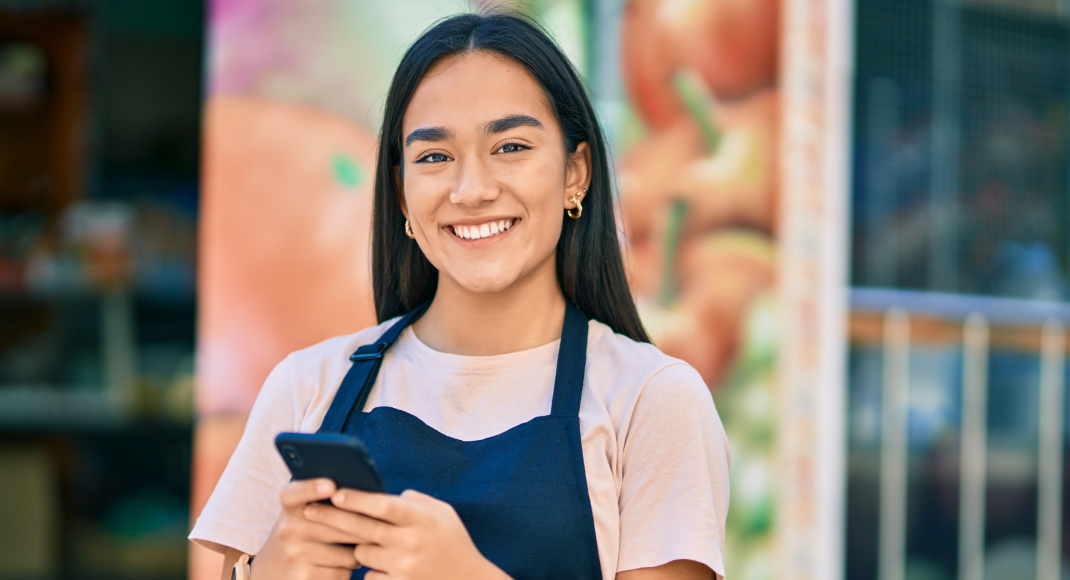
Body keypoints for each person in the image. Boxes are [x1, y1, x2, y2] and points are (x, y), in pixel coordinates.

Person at [189, 12, 729, 580]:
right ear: (401, 194)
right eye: (434, 157)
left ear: (576, 173)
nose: (471, 190)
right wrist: (269, 570)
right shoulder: (308, 386)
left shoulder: (651, 400)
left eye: (511, 146)